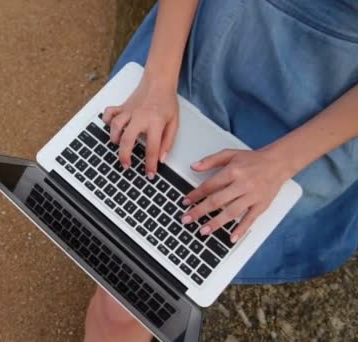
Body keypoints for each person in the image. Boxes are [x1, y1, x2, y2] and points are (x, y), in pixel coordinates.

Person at [83, 1, 358, 341]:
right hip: (199, 38)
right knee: (120, 306)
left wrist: (279, 163)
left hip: (320, 109)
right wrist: (158, 80)